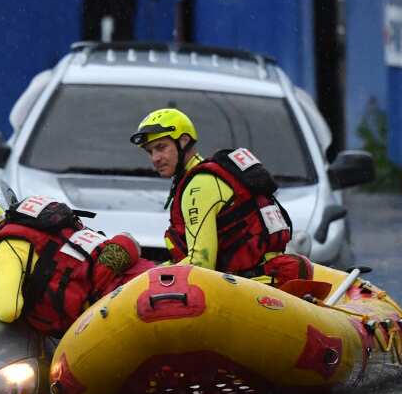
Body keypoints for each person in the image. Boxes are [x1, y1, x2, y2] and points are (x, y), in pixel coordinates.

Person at [129, 107, 313, 287]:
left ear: (184, 141)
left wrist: (144, 282)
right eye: (150, 151)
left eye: (161, 147)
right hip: (265, 279)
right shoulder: (213, 174)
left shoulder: (199, 185)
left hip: (253, 287)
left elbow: (201, 262)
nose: (155, 158)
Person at [0, 195, 153, 337]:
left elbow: (8, 310)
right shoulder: (38, 229)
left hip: (115, 309)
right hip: (143, 280)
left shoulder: (5, 248)